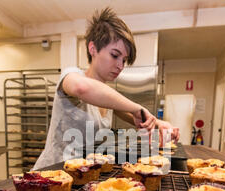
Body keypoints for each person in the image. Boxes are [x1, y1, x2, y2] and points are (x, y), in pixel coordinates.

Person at [33, 7, 179, 170]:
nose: (120, 66)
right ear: (92, 48)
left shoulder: (105, 96)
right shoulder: (71, 75)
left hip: (81, 176)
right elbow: (82, 88)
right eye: (115, 55)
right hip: (51, 173)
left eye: (124, 60)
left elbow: (133, 116)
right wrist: (138, 107)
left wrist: (160, 123)